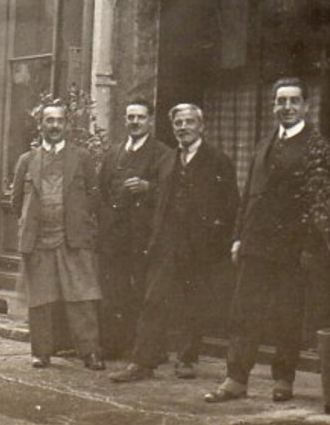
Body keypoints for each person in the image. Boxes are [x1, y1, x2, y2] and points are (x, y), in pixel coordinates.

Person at [204, 77, 316, 404]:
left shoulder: (315, 145)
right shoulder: (264, 142)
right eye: (281, 101)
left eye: (294, 101)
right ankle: (236, 379)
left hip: (291, 247)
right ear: (273, 106)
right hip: (255, 243)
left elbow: (316, 204)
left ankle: (284, 378)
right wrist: (239, 236)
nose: (287, 107)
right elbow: (249, 194)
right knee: (243, 311)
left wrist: (308, 247)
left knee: (287, 314)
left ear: (306, 106)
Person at [111, 103, 238, 383]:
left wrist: (216, 241)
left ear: (201, 126)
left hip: (200, 246)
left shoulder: (218, 160)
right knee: (153, 301)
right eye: (178, 123)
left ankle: (187, 359)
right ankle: (142, 362)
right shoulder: (168, 159)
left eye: (189, 122)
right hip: (167, 243)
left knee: (193, 304)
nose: (183, 128)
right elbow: (159, 199)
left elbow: (230, 206)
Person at [10, 102, 104, 369]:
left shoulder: (81, 157)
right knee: (40, 299)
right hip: (39, 240)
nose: (54, 126)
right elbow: (17, 201)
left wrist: (81, 224)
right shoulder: (27, 161)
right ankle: (41, 352)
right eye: (49, 121)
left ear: (67, 126)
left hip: (73, 238)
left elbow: (93, 196)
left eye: (59, 121)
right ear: (41, 126)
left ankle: (90, 352)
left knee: (82, 297)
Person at [96, 99, 174, 360]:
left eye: (140, 117)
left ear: (150, 120)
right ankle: (116, 345)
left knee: (144, 292)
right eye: (130, 117)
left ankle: (149, 350)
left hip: (145, 236)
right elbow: (102, 190)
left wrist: (148, 188)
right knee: (115, 291)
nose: (135, 122)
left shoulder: (162, 153)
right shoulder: (114, 152)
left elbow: (171, 193)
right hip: (115, 236)